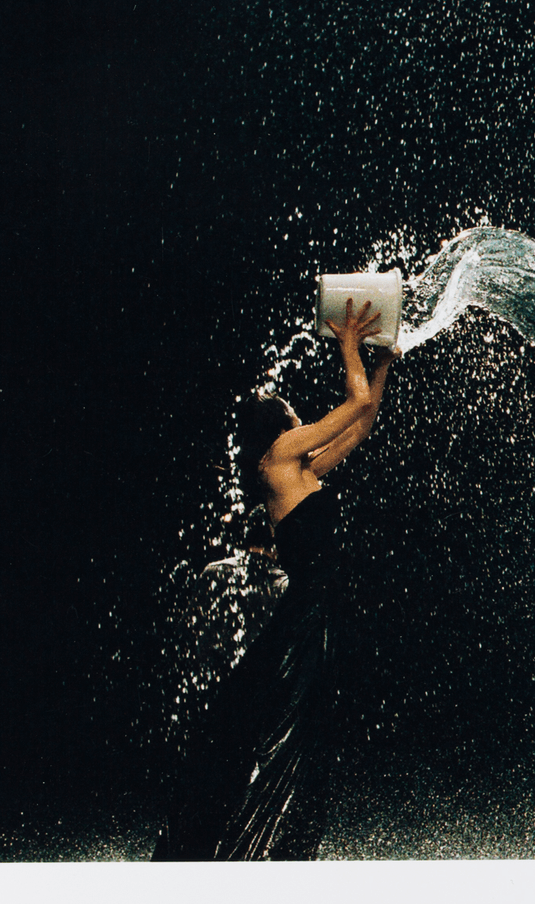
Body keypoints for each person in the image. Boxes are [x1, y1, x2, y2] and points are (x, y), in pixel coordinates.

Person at [154, 299, 399, 861]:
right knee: (292, 729)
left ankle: (264, 850)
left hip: (323, 606)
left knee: (298, 728)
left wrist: (381, 362)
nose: (297, 416)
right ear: (277, 426)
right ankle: (260, 853)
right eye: (290, 411)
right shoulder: (278, 456)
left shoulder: (297, 469)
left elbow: (362, 424)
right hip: (314, 608)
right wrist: (349, 344)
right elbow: (354, 401)